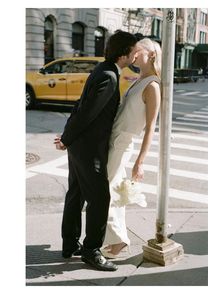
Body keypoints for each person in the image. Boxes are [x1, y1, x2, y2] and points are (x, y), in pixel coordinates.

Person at [54, 31, 138, 271]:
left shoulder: (104, 69)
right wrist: (66, 139)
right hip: (89, 149)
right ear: (124, 54)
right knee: (100, 199)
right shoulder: (109, 77)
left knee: (76, 194)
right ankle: (91, 250)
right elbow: (86, 113)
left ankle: (70, 244)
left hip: (80, 146)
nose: (134, 56)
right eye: (133, 52)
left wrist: (68, 138)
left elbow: (80, 107)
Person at [101, 38, 162, 258]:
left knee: (107, 191)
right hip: (115, 139)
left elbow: (150, 127)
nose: (133, 55)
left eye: (138, 51)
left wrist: (141, 161)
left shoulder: (153, 85)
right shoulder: (139, 79)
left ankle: (119, 240)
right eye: (132, 51)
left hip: (123, 142)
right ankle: (116, 238)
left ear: (152, 55)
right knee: (114, 191)